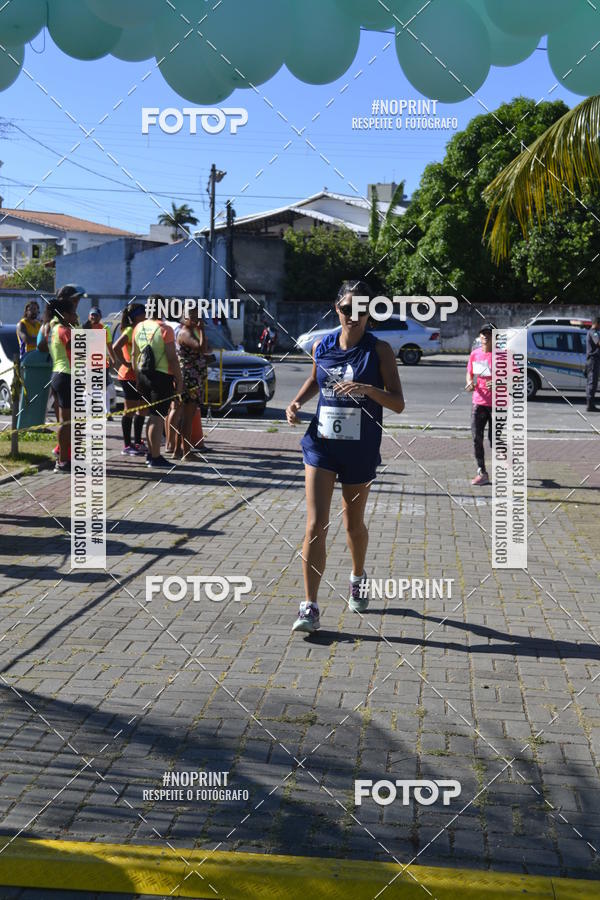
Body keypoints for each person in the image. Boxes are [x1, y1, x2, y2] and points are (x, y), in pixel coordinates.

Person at [285, 280, 405, 635]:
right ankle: (310, 606)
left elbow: (398, 403)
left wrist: (368, 389)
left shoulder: (379, 350)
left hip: (360, 448)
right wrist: (296, 402)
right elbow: (315, 380)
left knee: (353, 524)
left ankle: (357, 576)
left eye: (361, 309)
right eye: (347, 308)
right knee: (315, 524)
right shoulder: (321, 345)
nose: (353, 315)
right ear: (336, 309)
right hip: (321, 444)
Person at [132, 300, 183, 468]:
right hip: (161, 376)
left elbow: (134, 354)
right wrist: (179, 380)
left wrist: (137, 377)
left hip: (143, 374)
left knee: (151, 415)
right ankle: (155, 457)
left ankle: (150, 454)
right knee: (157, 416)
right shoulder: (165, 329)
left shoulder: (139, 327)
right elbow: (172, 358)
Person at [171, 308, 208, 459]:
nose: (196, 320)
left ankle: (178, 450)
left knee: (185, 416)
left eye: (198, 316)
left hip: (191, 377)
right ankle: (185, 451)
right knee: (187, 417)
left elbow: (204, 349)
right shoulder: (186, 333)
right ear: (184, 318)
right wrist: (202, 330)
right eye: (192, 317)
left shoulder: (190, 332)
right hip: (190, 379)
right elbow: (201, 348)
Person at [47, 296, 78, 474]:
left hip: (58, 374)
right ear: (65, 314)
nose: (76, 317)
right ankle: (62, 461)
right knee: (66, 423)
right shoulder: (65, 330)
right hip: (66, 376)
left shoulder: (54, 328)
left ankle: (64, 456)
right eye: (73, 313)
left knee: (66, 422)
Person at [112, 302, 147, 455]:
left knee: (143, 409)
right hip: (128, 375)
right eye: (143, 312)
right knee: (130, 410)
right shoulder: (130, 329)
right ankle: (127, 445)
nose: (146, 315)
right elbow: (116, 346)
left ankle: (138, 442)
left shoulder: (141, 329)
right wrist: (126, 362)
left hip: (141, 375)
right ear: (136, 316)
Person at [466, 323, 494, 486]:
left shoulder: (503, 356)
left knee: (494, 440)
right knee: (477, 438)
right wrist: (470, 382)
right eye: (483, 334)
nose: (485, 337)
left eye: (489, 334)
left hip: (498, 404)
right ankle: (482, 472)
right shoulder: (475, 354)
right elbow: (469, 373)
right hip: (479, 401)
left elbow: (516, 378)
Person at [83, 306, 116, 416]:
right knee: (88, 387)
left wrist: (113, 358)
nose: (93, 317)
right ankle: (86, 411)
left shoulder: (105, 328)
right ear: (89, 316)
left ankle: (107, 411)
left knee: (103, 387)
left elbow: (109, 345)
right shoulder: (85, 328)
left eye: (96, 315)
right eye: (92, 315)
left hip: (102, 362)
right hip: (88, 362)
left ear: (100, 317)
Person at [586, 317, 600, 412]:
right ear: (597, 324)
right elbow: (598, 342)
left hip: (593, 360)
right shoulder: (593, 332)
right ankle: (590, 405)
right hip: (593, 360)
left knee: (592, 382)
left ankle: (590, 404)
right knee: (592, 382)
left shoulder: (593, 332)